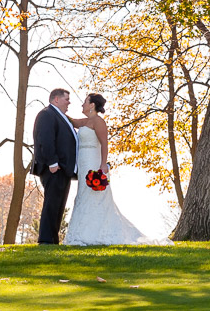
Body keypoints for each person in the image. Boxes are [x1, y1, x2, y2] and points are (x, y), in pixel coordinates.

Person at [64, 93, 170, 246]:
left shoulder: (99, 122)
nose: (82, 105)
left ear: (92, 105)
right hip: (82, 164)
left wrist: (102, 165)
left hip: (93, 163)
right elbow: (72, 121)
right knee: (83, 195)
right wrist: (58, 109)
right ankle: (84, 232)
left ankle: (97, 233)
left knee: (96, 197)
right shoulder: (85, 121)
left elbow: (104, 144)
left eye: (85, 102)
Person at [31, 88, 79, 245]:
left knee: (58, 206)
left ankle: (52, 239)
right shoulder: (47, 114)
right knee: (52, 205)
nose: (69, 103)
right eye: (67, 99)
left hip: (63, 169)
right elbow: (45, 139)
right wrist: (52, 162)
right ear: (56, 99)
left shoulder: (61, 117)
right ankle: (45, 240)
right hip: (54, 168)